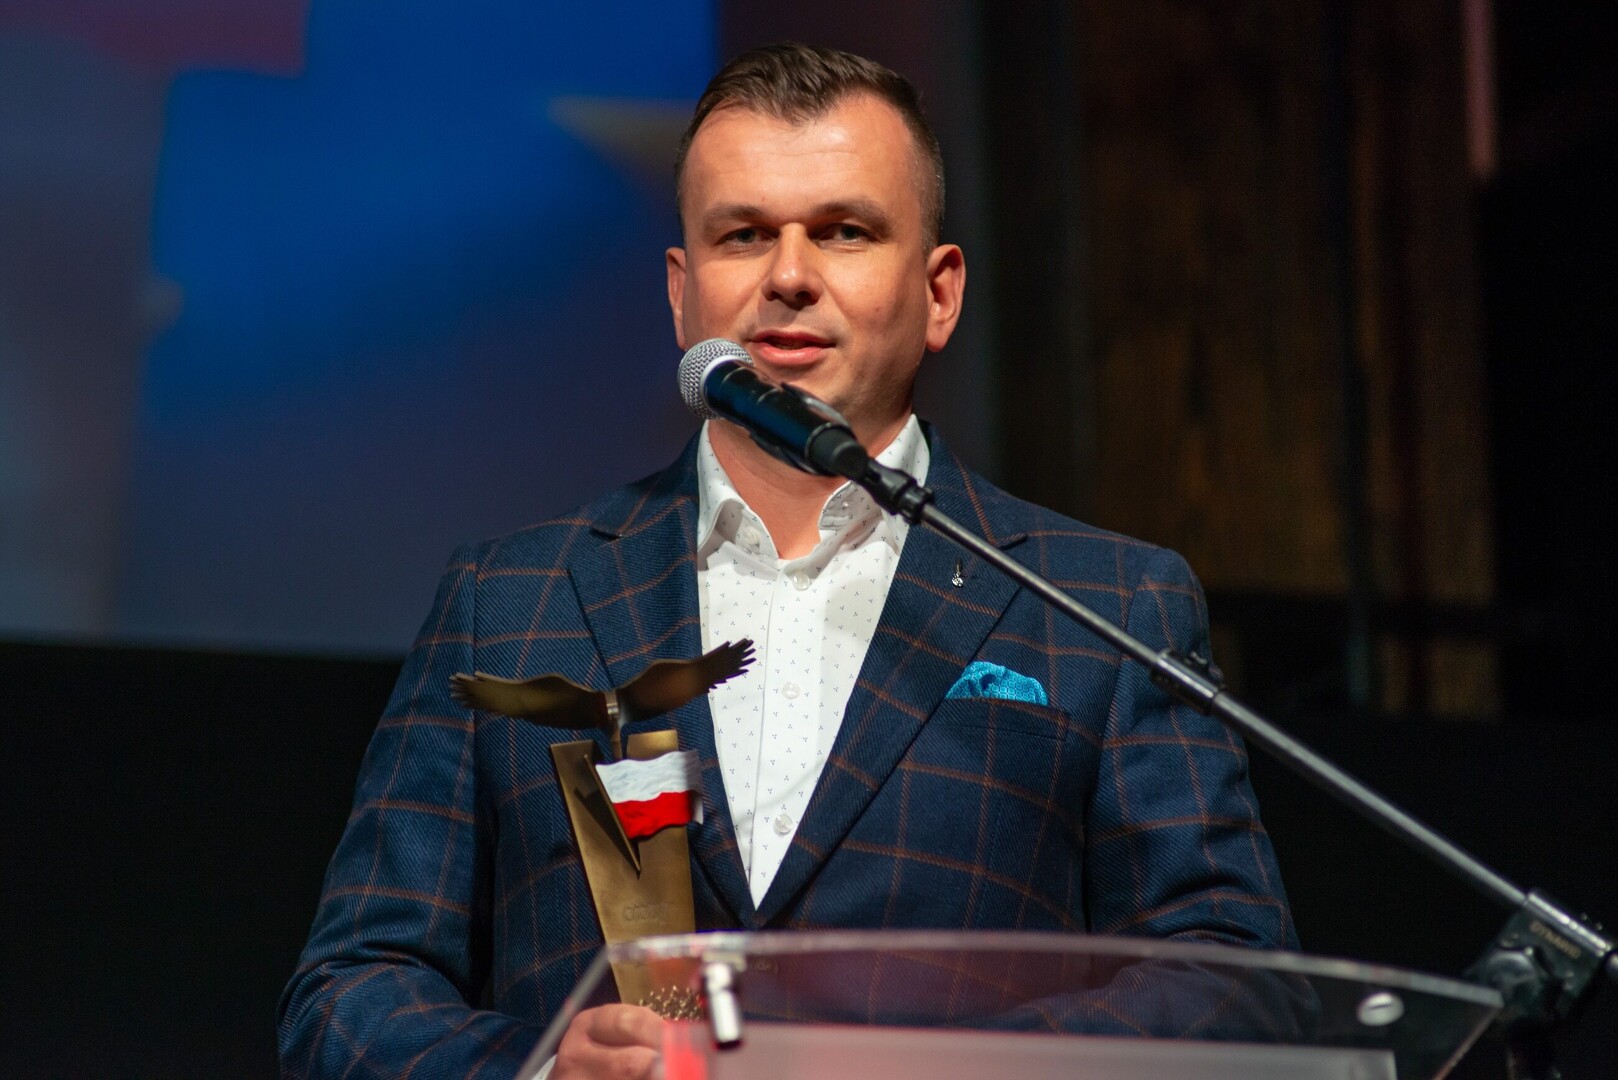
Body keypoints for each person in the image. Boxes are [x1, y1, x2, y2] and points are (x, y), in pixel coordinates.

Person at [278, 43, 1295, 1080]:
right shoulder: (508, 602)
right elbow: (350, 993)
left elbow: (1230, 976)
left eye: (845, 231)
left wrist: (946, 1069)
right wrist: (535, 1069)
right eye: (744, 235)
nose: (791, 276)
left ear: (940, 292)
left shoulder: (1102, 604)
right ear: (682, 293)